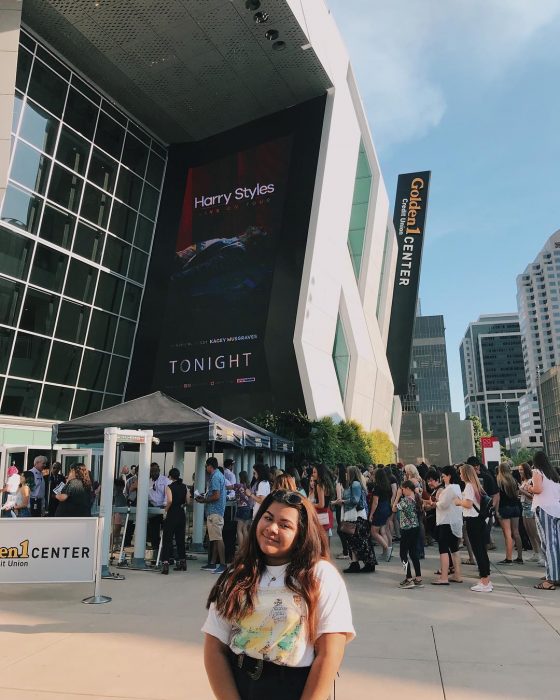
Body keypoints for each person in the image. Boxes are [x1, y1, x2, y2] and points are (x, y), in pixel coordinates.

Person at [202, 489, 355, 699]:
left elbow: (330, 654)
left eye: (285, 525)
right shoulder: (236, 575)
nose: (272, 528)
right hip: (242, 686)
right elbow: (214, 648)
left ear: (301, 533)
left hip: (295, 688)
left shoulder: (320, 575)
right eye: (267, 518)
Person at [455, 463, 492, 593]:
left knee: (478, 551)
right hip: (479, 521)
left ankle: (485, 581)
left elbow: (468, 504)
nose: (459, 475)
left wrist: (459, 501)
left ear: (465, 474)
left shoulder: (469, 486)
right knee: (481, 550)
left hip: (473, 521)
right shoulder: (475, 485)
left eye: (460, 472)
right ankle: (485, 579)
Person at [333, 466, 375, 573]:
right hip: (354, 515)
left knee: (359, 540)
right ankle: (357, 563)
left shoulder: (355, 484)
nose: (346, 474)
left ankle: (365, 563)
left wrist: (342, 501)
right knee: (354, 541)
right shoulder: (353, 484)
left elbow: (355, 500)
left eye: (347, 473)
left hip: (356, 516)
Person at [528, 451, 560, 590]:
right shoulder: (553, 474)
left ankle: (551, 579)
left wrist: (528, 487)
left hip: (544, 509)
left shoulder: (537, 471)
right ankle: (555, 575)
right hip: (556, 509)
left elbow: (538, 489)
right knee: (556, 543)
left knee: (548, 544)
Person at [432, 466, 463, 585]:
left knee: (443, 549)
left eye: (444, 476)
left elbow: (443, 504)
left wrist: (436, 502)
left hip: (446, 521)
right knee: (454, 549)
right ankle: (457, 574)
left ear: (449, 476)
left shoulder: (449, 488)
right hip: (455, 521)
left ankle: (444, 577)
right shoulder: (457, 487)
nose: (443, 479)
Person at [197, 457, 227, 574]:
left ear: (210, 466)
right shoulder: (220, 475)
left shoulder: (215, 477)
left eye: (206, 466)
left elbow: (216, 496)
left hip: (215, 512)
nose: (206, 468)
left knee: (218, 538)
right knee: (214, 538)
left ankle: (223, 564)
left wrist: (204, 500)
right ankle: (212, 563)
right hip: (217, 511)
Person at [392, 480, 423, 589]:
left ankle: (409, 578)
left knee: (403, 554)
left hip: (406, 529)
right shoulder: (416, 498)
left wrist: (397, 496)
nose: (402, 491)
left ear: (408, 489)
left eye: (403, 489)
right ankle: (418, 578)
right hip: (415, 528)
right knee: (414, 553)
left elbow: (394, 508)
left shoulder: (406, 500)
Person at [161, 468, 189, 574]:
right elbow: (188, 500)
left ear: (170, 476)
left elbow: (170, 500)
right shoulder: (184, 486)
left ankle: (165, 564)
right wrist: (182, 504)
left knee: (167, 539)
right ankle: (183, 562)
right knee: (180, 539)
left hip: (172, 514)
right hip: (181, 514)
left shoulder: (169, 487)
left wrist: (165, 511)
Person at [496, 462, 523, 565]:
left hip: (504, 508)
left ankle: (509, 558)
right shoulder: (514, 480)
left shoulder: (499, 480)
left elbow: (498, 497)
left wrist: (497, 510)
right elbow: (517, 495)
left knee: (507, 534)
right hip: (515, 507)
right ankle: (519, 557)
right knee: (516, 532)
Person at [518, 462, 542, 563]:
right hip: (524, 507)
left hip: (530, 507)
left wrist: (522, 491)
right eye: (519, 470)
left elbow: (533, 496)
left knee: (535, 533)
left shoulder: (531, 481)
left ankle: (542, 554)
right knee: (529, 532)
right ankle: (536, 553)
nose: (520, 472)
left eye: (521, 469)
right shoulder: (523, 481)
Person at [368, 467, 393, 561]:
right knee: (382, 531)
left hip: (380, 509)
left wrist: (371, 514)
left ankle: (386, 549)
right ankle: (385, 554)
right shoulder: (388, 486)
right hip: (387, 507)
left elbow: (375, 502)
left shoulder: (377, 487)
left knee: (374, 532)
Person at [147, 463, 169, 557]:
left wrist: (165, 507)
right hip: (153, 508)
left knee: (166, 531)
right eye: (152, 471)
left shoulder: (165, 480)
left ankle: (165, 551)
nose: (154, 473)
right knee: (153, 532)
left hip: (163, 508)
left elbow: (167, 494)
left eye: (155, 471)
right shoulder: (148, 481)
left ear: (159, 471)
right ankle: (155, 550)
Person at [229, 471, 253, 550]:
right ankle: (246, 548)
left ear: (240, 477)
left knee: (239, 529)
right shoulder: (248, 486)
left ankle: (241, 549)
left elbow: (227, 487)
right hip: (248, 508)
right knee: (245, 529)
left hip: (241, 508)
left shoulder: (238, 485)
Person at [310, 464, 335, 536]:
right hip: (327, 513)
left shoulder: (319, 485)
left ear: (320, 473)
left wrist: (310, 504)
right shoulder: (326, 484)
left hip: (321, 514)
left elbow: (321, 505)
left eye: (315, 472)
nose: (313, 474)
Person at [334, 464, 349, 559]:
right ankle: (346, 551)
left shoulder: (339, 483)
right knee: (344, 530)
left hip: (341, 508)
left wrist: (332, 502)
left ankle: (345, 552)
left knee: (341, 530)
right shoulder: (347, 482)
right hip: (347, 508)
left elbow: (339, 500)